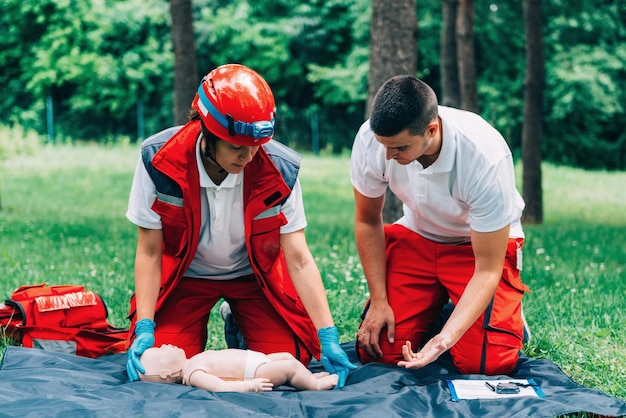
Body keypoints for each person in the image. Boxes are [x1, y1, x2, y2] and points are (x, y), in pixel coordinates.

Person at [125, 64, 355, 387]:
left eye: (255, 146)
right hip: (185, 279)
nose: (248, 157)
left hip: (253, 280)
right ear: (206, 133)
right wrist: (147, 326)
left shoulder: (280, 169)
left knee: (291, 360)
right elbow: (149, 252)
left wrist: (327, 334)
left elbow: (299, 258)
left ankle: (237, 325)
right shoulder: (158, 161)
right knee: (155, 371)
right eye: (236, 147)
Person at [350, 75, 530, 375]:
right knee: (378, 351)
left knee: (487, 364)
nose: (387, 156)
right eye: (384, 146)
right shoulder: (373, 138)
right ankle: (434, 310)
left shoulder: (485, 157)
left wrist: (444, 340)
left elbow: (487, 270)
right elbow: (368, 220)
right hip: (418, 235)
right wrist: (380, 301)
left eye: (399, 148)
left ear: (431, 130)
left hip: (475, 248)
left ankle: (507, 320)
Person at [138, 344, 339, 392]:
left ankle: (309, 376)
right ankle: (315, 385)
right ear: (166, 373)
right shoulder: (193, 374)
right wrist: (249, 386)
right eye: (160, 351)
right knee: (288, 368)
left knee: (287, 357)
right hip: (253, 372)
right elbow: (219, 386)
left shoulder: (192, 361)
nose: (165, 345)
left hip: (257, 360)